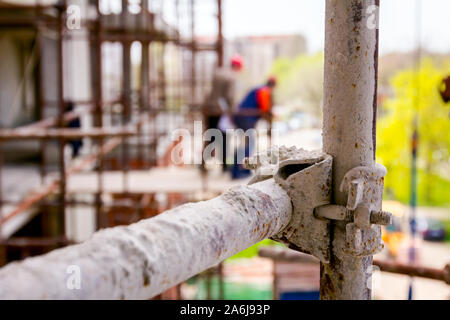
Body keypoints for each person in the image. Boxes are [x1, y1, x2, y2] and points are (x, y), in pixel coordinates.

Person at [202, 55, 243, 172]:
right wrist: (232, 112)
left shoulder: (218, 73)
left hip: (209, 109)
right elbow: (230, 97)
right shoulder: (231, 78)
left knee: (210, 137)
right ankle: (224, 166)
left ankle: (203, 164)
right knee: (224, 139)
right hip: (221, 112)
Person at [231, 76, 276, 179]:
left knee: (247, 144)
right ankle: (238, 171)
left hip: (243, 117)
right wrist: (270, 115)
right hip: (245, 118)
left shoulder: (259, 89)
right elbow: (265, 109)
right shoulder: (264, 91)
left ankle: (242, 170)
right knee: (246, 145)